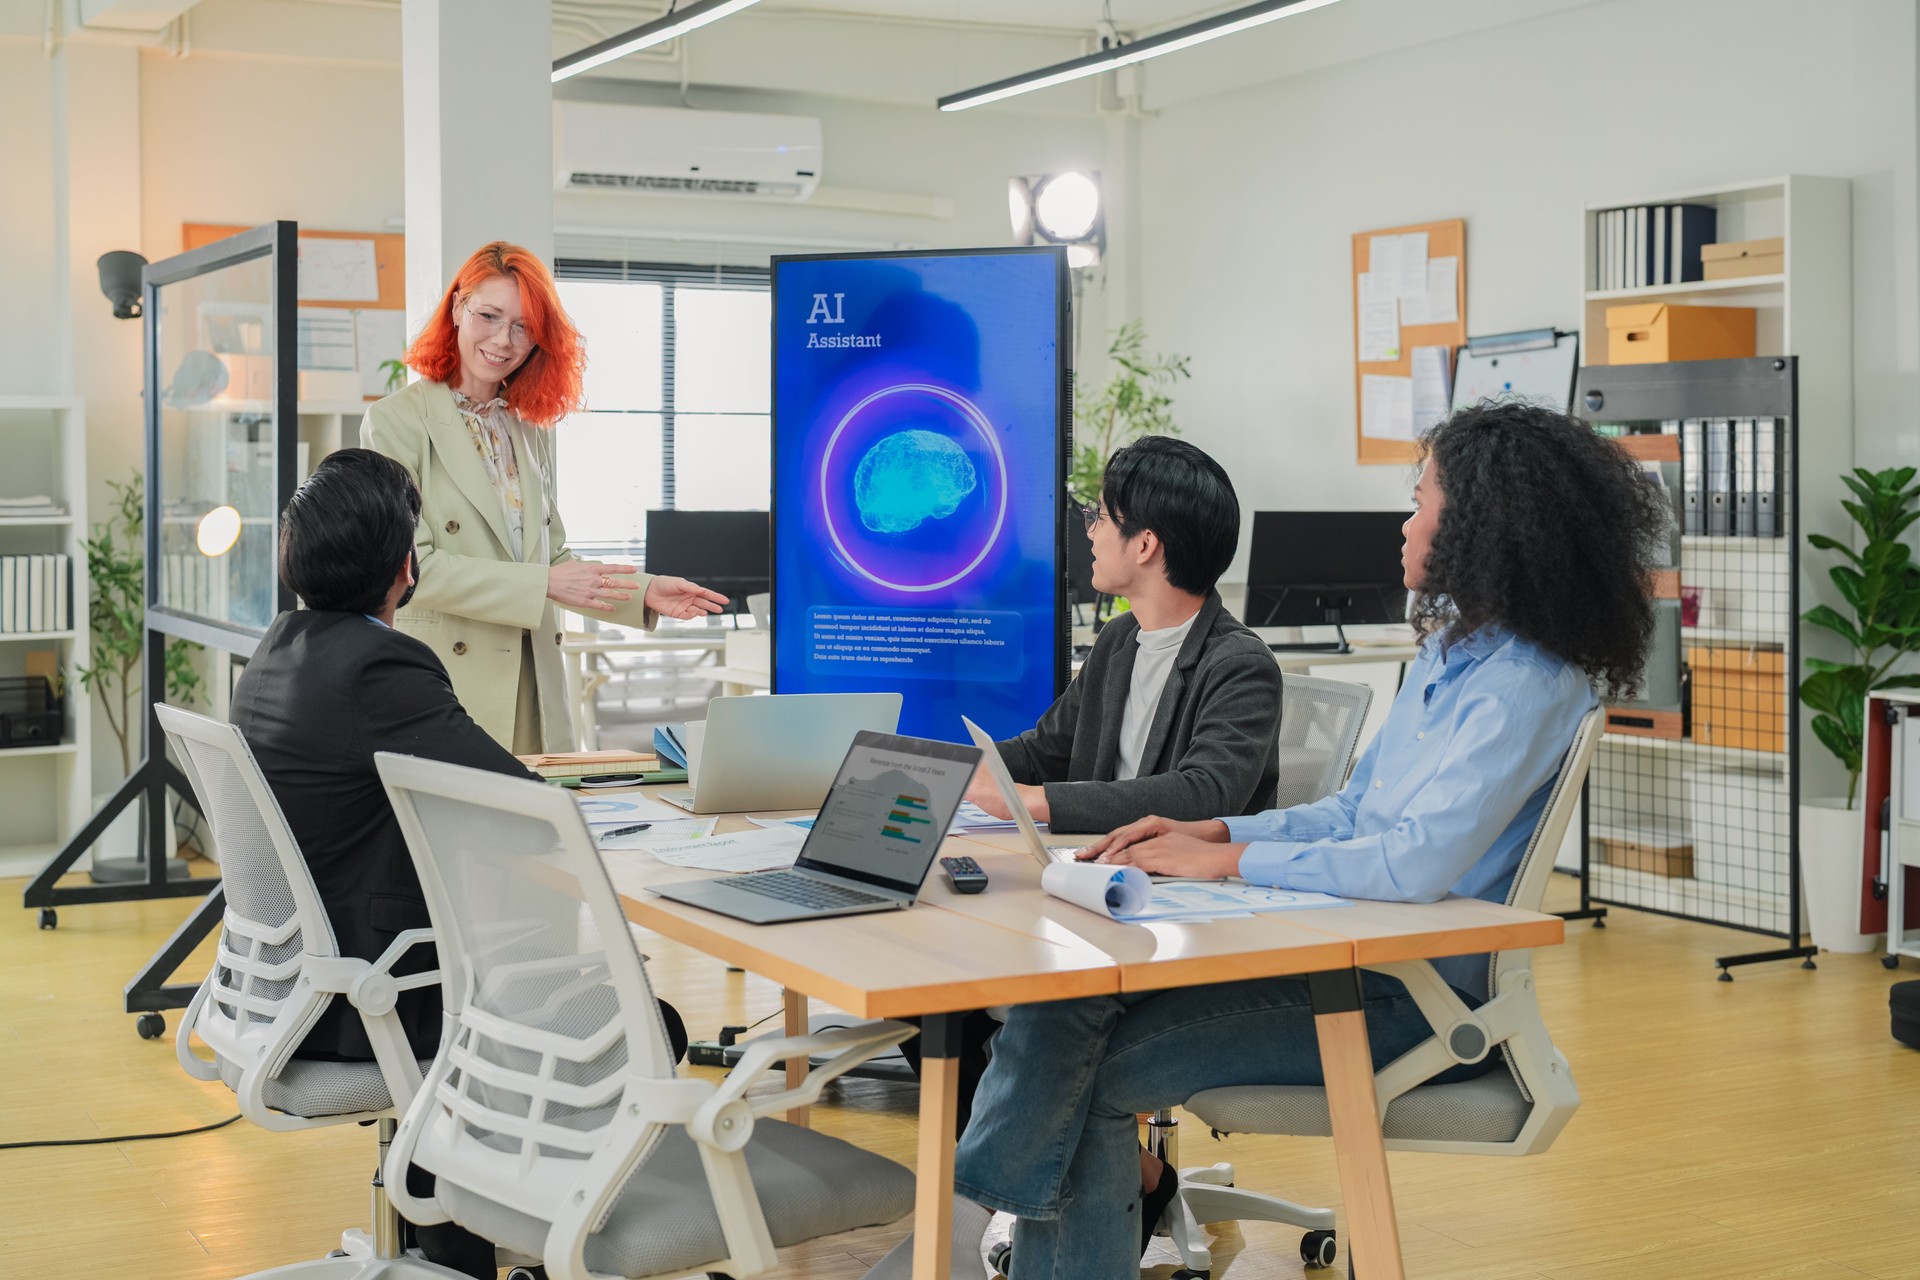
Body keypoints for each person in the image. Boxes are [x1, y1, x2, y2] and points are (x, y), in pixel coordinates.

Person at [874, 401, 1669, 1280]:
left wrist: (1232, 857)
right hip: (1337, 958)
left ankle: (952, 1231)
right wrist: (1215, 830)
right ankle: (962, 1232)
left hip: (1406, 1001)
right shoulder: (1451, 657)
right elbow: (1349, 813)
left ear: (1484, 525)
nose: (1405, 521)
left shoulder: (1521, 686)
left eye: (1421, 499)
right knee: (1062, 1004)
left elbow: (1409, 864)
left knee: (1081, 1072)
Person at [231, 450, 688, 1278]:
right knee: (643, 1023)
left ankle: (453, 1229)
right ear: (404, 566)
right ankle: (519, 1237)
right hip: (377, 995)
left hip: (295, 983)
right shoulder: (380, 665)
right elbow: (520, 811)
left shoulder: (279, 650)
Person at [363, 241, 729, 753]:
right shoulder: (395, 421)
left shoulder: (526, 428)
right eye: (489, 316)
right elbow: (412, 569)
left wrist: (643, 591)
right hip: (449, 680)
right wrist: (545, 584)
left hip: (534, 674)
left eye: (523, 327)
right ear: (456, 309)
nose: (503, 340)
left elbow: (553, 559)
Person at [963, 435, 1282, 835]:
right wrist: (943, 766)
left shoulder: (1240, 665)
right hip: (1095, 860)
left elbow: (1205, 793)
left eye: (1100, 517)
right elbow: (1044, 753)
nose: (1091, 533)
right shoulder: (1120, 639)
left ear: (1145, 544)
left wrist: (1031, 800)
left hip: (1183, 884)